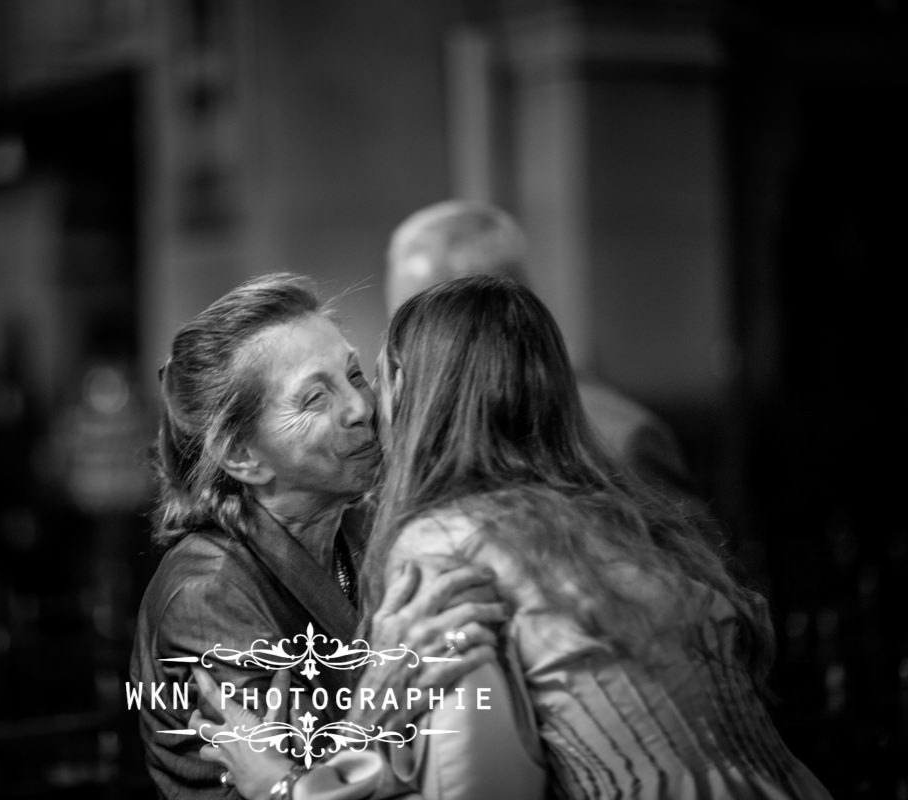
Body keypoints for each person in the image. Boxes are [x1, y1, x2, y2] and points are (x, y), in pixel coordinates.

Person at [198, 275, 829, 799]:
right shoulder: (626, 518)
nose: (365, 409)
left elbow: (477, 786)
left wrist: (286, 787)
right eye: (318, 395)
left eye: (370, 377)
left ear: (422, 398)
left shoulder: (448, 540)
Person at [130, 274, 506, 800]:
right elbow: (304, 784)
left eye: (356, 375)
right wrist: (392, 683)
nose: (362, 408)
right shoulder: (210, 592)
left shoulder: (366, 528)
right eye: (314, 398)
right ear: (242, 456)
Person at [385, 200, 699, 502]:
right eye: (400, 321)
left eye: (423, 322)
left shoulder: (620, 440)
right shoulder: (400, 438)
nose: (401, 345)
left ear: (489, 304)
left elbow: (689, 554)